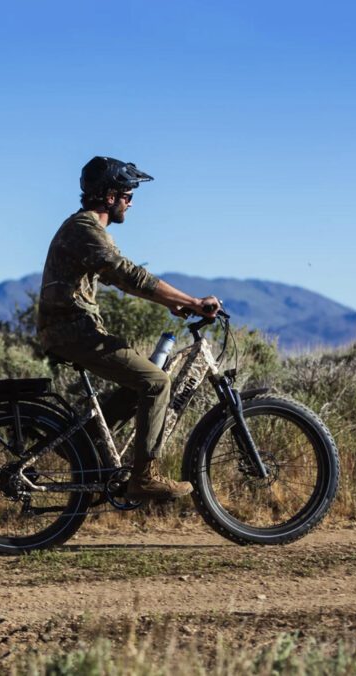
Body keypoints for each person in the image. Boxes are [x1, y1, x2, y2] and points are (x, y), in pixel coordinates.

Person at [36, 157, 220, 500]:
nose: (131, 202)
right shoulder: (84, 228)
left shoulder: (87, 229)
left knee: (141, 377)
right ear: (109, 196)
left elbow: (122, 276)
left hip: (74, 330)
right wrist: (192, 301)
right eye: (127, 194)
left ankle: (83, 443)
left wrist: (172, 301)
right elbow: (126, 274)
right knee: (155, 382)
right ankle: (145, 477)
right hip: (73, 332)